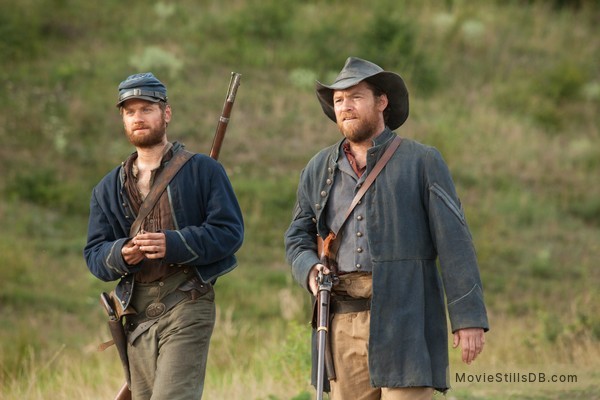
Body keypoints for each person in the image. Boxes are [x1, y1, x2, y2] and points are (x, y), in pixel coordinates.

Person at [284, 57, 489, 399]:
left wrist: (467, 317)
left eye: (355, 97)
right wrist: (309, 270)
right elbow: (297, 237)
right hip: (341, 322)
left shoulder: (422, 161)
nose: (345, 107)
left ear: (382, 102)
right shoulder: (319, 167)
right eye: (338, 100)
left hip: (405, 318)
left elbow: (455, 242)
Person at [84, 72, 244, 399]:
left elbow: (229, 233)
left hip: (187, 298)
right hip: (136, 312)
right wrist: (122, 253)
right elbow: (95, 256)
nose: (138, 118)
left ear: (166, 114)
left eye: (147, 109)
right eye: (130, 112)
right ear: (123, 119)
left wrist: (171, 244)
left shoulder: (203, 171)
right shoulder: (106, 188)